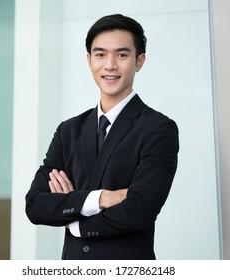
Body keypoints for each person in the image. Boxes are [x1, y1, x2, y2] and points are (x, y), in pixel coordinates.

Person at [25, 14, 179, 260]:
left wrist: (75, 220)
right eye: (100, 54)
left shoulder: (158, 129)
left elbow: (140, 210)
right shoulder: (69, 130)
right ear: (89, 61)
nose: (110, 65)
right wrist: (103, 198)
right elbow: (35, 206)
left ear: (140, 61)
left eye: (122, 55)